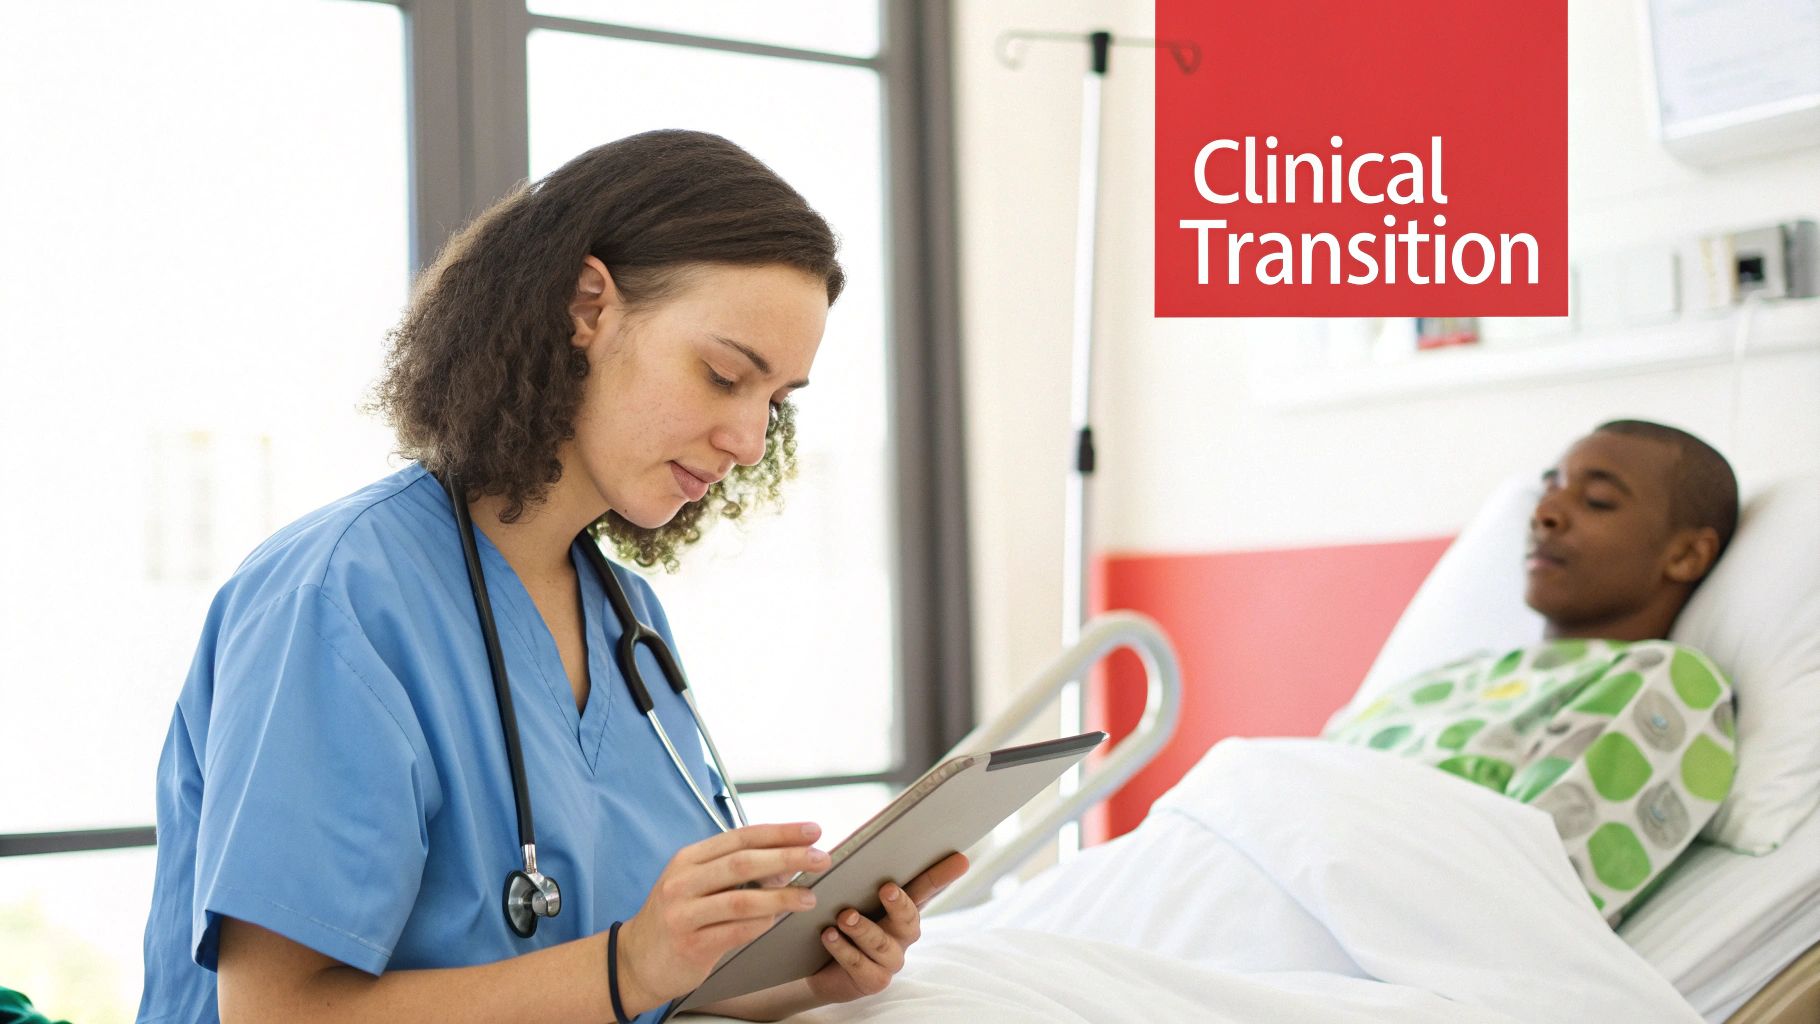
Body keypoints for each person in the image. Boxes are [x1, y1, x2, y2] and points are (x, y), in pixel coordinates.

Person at [136, 129, 966, 1024]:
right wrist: (630, 966)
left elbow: (639, 987)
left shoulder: (626, 619)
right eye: (724, 375)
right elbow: (276, 1012)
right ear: (586, 306)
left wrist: (810, 976)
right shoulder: (338, 600)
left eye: (775, 402)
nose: (750, 441)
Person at [1324, 419, 1740, 924]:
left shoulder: (1664, 683)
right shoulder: (1456, 675)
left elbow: (1527, 904)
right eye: (1549, 490)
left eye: (1598, 501)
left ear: (1686, 554)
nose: (1544, 514)